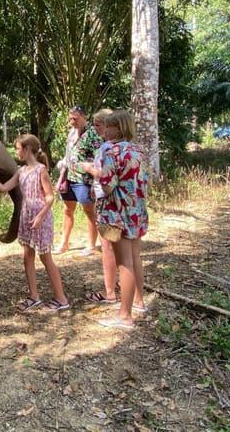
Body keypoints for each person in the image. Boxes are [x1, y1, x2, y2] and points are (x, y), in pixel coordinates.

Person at [0, 134, 70, 313]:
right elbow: (4, 188)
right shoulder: (21, 171)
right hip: (26, 215)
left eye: (18, 148)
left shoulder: (41, 170)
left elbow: (50, 197)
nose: (16, 152)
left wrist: (40, 216)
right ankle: (34, 296)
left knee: (45, 257)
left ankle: (61, 298)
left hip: (39, 217)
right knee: (27, 256)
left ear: (27, 150)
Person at [82, 109, 148, 329]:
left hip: (116, 213)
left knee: (124, 264)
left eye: (108, 127)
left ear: (118, 128)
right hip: (136, 211)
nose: (105, 131)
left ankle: (124, 316)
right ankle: (139, 301)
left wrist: (92, 170)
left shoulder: (112, 152)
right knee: (135, 258)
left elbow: (108, 185)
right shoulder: (139, 151)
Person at [80, 108, 121, 304]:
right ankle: (119, 283)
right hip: (116, 200)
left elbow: (106, 176)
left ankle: (109, 292)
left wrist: (89, 169)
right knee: (116, 244)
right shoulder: (125, 147)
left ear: (108, 126)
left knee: (107, 246)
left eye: (98, 124)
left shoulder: (107, 148)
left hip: (107, 201)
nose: (95, 128)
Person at [55, 105, 103, 256]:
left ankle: (91, 245)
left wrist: (95, 183)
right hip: (69, 177)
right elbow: (69, 153)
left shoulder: (92, 134)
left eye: (75, 118)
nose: (72, 121)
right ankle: (64, 243)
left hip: (85, 179)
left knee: (89, 210)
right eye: (70, 118)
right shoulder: (71, 133)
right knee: (67, 209)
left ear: (84, 117)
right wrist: (62, 166)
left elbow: (99, 159)